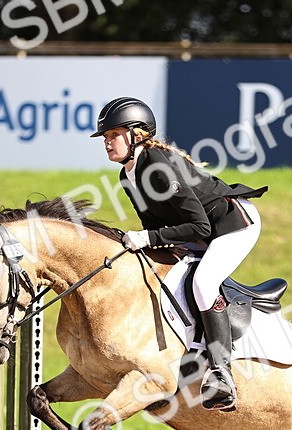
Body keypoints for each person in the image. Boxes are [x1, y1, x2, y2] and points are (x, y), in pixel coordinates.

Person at [92, 97, 268, 412]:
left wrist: (147, 238)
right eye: (105, 138)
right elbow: (154, 223)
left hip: (233, 225)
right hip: (201, 229)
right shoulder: (127, 175)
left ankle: (220, 371)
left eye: (113, 135)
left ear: (137, 134)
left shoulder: (158, 164)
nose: (107, 143)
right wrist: (150, 242)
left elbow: (198, 226)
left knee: (203, 283)